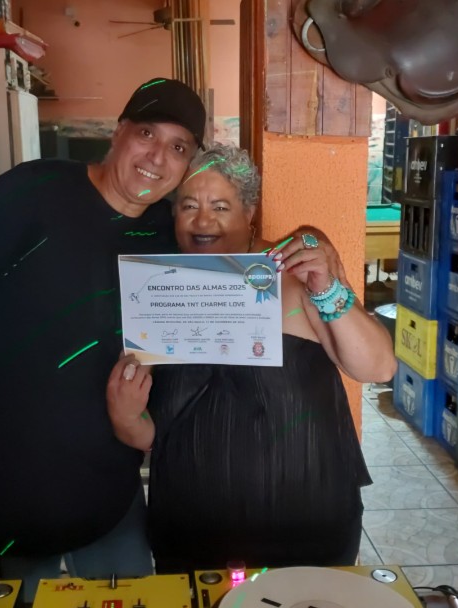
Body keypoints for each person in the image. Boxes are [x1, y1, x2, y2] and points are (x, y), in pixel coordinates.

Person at [0, 78, 345, 602]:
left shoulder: (167, 235)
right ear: (119, 132)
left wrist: (312, 238)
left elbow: (243, 255)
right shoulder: (31, 193)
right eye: (147, 134)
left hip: (111, 502)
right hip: (7, 495)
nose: (157, 157)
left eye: (178, 147)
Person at [106, 143, 397, 573]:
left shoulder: (293, 274)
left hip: (308, 528)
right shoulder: (156, 292)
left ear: (249, 211)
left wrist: (326, 286)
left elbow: (378, 367)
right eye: (189, 206)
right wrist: (125, 415)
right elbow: (151, 436)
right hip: (192, 534)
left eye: (220, 206)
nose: (203, 220)